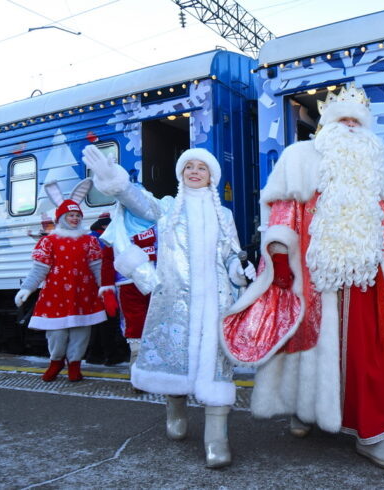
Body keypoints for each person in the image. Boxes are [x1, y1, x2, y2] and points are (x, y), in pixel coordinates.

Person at [222, 83, 384, 470]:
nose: (351, 126)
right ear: (327, 123)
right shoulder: (299, 157)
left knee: (369, 355)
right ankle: (306, 409)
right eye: (343, 118)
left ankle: (374, 432)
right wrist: (280, 258)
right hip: (309, 276)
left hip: (363, 280)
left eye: (357, 120)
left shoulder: (376, 165)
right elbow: (282, 213)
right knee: (303, 346)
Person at [81, 144, 255, 469]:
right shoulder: (168, 209)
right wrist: (116, 183)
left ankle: (217, 438)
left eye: (201, 168)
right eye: (189, 167)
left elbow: (231, 251)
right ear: (181, 173)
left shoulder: (224, 214)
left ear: (211, 176)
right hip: (176, 301)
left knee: (217, 368)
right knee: (175, 359)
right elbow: (138, 202)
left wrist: (236, 267)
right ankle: (175, 407)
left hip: (216, 303)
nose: (194, 172)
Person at [15, 179, 107, 382]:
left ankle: (74, 365)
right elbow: (40, 268)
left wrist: (105, 288)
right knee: (57, 333)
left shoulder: (89, 241)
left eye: (77, 215)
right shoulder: (49, 241)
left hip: (84, 294)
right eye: (70, 215)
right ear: (61, 217)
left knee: (81, 332)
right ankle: (56, 362)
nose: (74, 219)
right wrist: (27, 288)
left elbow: (96, 267)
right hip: (56, 294)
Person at [96, 202, 157, 374]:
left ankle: (155, 367)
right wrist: (107, 289)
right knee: (135, 325)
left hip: (157, 282)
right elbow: (107, 259)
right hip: (128, 283)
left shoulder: (157, 225)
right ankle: (137, 370)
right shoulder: (117, 229)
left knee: (157, 323)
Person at [85, 213, 129, 366]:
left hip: (95, 286)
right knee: (108, 322)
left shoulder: (91, 237)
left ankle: (94, 355)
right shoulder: (102, 239)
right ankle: (112, 355)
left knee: (100, 322)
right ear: (105, 226)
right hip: (103, 286)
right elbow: (106, 263)